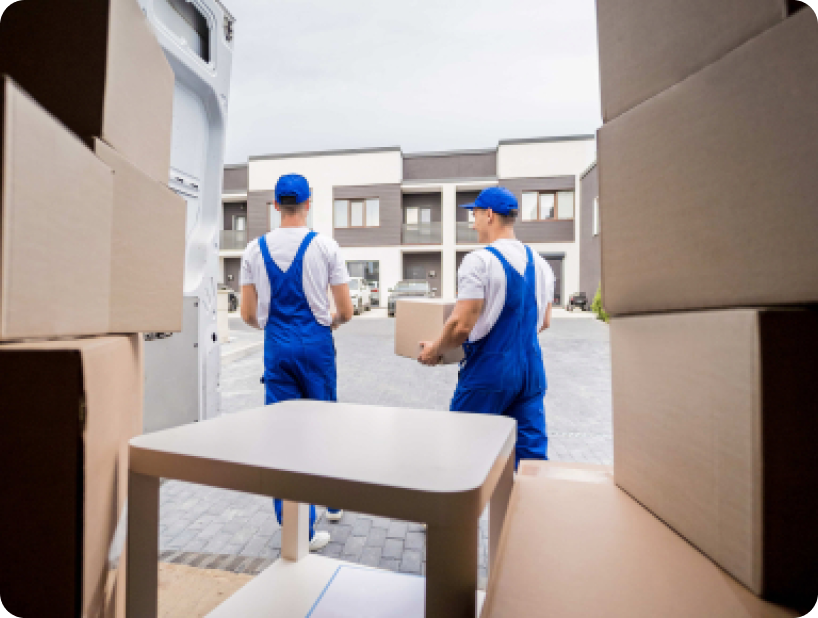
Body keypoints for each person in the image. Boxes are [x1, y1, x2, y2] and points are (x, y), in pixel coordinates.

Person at [240, 173, 354, 551]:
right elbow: (346, 311)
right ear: (308, 204)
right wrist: (328, 323)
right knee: (326, 423)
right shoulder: (326, 246)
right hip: (317, 345)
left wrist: (274, 328)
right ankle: (334, 501)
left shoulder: (254, 250)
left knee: (283, 436)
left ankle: (298, 529)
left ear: (275, 205)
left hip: (278, 345)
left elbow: (246, 314)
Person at [418, 187, 554, 468]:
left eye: (475, 214)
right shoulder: (541, 264)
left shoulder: (478, 261)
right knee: (531, 465)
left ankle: (458, 511)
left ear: (489, 215)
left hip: (489, 374)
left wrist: (435, 349)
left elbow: (460, 325)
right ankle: (528, 512)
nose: (473, 221)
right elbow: (545, 321)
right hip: (531, 374)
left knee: (461, 456)